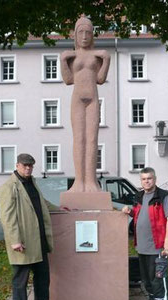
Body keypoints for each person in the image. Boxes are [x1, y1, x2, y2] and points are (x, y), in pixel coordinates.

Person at [0, 153, 61, 300]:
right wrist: (15, 240)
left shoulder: (32, 182)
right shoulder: (9, 186)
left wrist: (60, 209)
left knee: (43, 276)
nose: (28, 168)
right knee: (20, 280)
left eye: (31, 166)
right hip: (23, 242)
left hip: (39, 239)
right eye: (25, 165)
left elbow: (42, 203)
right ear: (17, 165)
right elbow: (7, 217)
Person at [60, 16, 110, 192]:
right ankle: (79, 182)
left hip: (93, 100)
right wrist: (63, 60)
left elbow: (101, 79)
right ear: (75, 34)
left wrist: (106, 60)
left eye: (88, 32)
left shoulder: (97, 56)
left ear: (92, 35)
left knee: (92, 140)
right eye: (80, 32)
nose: (84, 36)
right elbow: (67, 80)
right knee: (78, 139)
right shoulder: (71, 56)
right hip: (77, 100)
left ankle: (91, 181)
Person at [122, 167, 168, 300]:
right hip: (142, 246)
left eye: (149, 178)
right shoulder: (139, 196)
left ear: (155, 179)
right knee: (146, 278)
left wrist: (167, 241)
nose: (146, 181)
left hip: (158, 246)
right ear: (141, 181)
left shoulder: (163, 196)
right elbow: (140, 214)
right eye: (144, 179)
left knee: (158, 278)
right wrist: (129, 211)